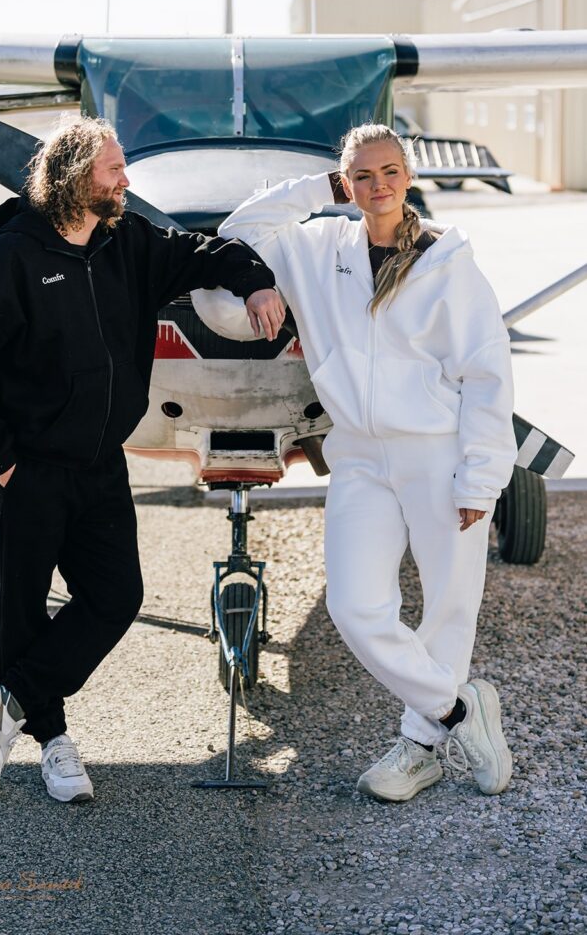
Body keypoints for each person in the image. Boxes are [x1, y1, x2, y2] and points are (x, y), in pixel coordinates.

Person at [0, 117, 285, 802]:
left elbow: (200, 250)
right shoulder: (6, 260)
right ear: (71, 180)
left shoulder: (125, 244)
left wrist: (256, 280)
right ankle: (53, 742)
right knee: (23, 607)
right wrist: (1, 461)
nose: (126, 181)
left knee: (116, 596)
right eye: (113, 170)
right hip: (29, 470)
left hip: (100, 466)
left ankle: (8, 702)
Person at [200, 123, 517, 802]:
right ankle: (460, 711)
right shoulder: (315, 248)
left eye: (390, 171)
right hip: (358, 457)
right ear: (346, 183)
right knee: (354, 605)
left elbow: (486, 374)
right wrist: (316, 187)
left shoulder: (446, 262)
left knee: (446, 609)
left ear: (409, 176)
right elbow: (237, 233)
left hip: (437, 452)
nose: (378, 186)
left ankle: (418, 749)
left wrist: (481, 473)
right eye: (362, 175)